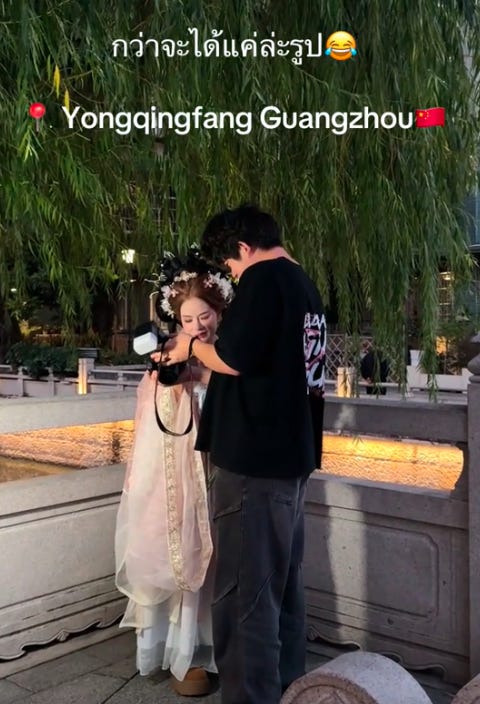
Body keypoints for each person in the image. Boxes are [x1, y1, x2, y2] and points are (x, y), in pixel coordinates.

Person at [157, 204, 327, 704]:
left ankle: (251, 696)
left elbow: (233, 356)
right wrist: (199, 366)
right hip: (291, 453)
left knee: (244, 593)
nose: (231, 272)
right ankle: (289, 687)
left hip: (254, 462)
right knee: (281, 586)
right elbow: (263, 367)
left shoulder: (264, 280)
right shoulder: (304, 285)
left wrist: (188, 348)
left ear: (243, 248)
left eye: (230, 262)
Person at [115, 253, 233, 696]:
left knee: (216, 555)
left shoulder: (229, 355)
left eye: (205, 316)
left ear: (219, 312)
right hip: (175, 478)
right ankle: (179, 651)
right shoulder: (167, 356)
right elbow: (152, 425)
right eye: (187, 319)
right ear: (175, 318)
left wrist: (206, 372)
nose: (198, 325)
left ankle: (208, 647)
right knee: (177, 548)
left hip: (220, 473)